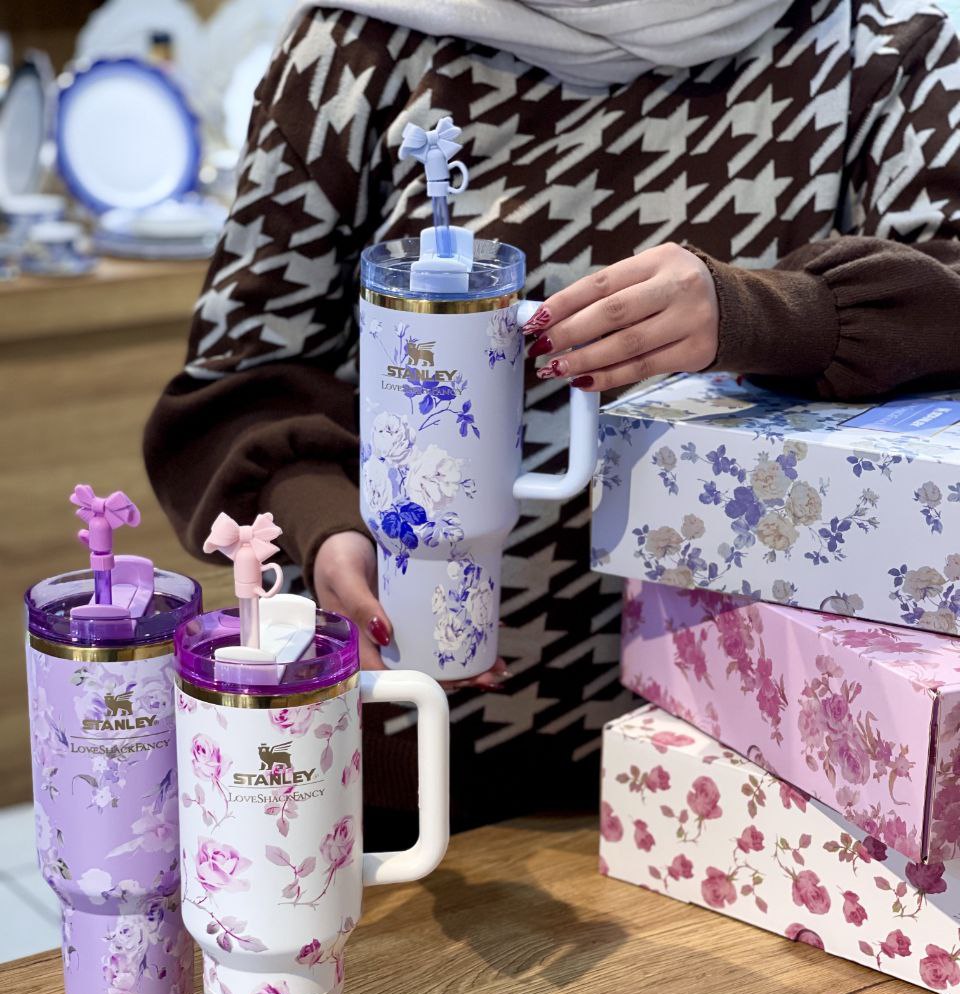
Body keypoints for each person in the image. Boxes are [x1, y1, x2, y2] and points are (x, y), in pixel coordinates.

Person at [145, 0, 960, 838]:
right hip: (391, 757)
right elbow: (237, 380)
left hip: (752, 767)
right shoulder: (354, 46)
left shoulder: (876, 43)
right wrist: (323, 522)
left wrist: (777, 313)